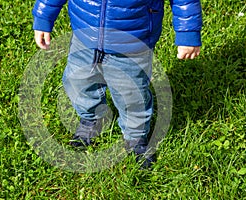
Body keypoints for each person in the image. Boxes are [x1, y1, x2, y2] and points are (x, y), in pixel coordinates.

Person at [32, 0, 202, 168]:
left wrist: (188, 33)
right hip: (84, 35)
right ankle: (92, 117)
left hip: (132, 41)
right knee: (77, 82)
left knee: (131, 94)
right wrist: (43, 18)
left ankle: (136, 135)